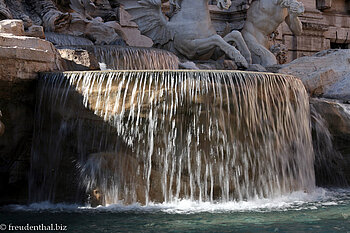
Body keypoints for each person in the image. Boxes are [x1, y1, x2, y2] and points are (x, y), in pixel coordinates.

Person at [241, 0, 304, 66]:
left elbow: (298, 31)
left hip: (267, 44)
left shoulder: (288, 6)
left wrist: (294, 16)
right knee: (270, 61)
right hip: (250, 36)